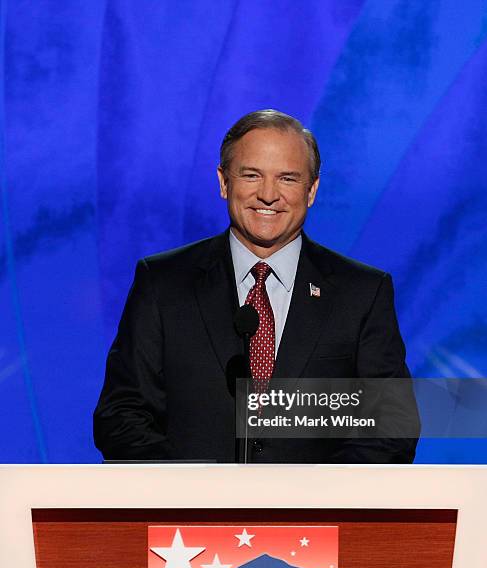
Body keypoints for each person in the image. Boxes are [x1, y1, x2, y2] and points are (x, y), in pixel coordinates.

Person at [94, 109, 419, 463]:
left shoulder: (362, 293)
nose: (268, 194)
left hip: (316, 513)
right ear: (223, 182)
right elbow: (121, 415)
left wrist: (315, 499)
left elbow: (392, 426)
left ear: (312, 190)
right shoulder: (163, 283)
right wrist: (189, 493)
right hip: (191, 513)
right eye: (251, 175)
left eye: (288, 179)